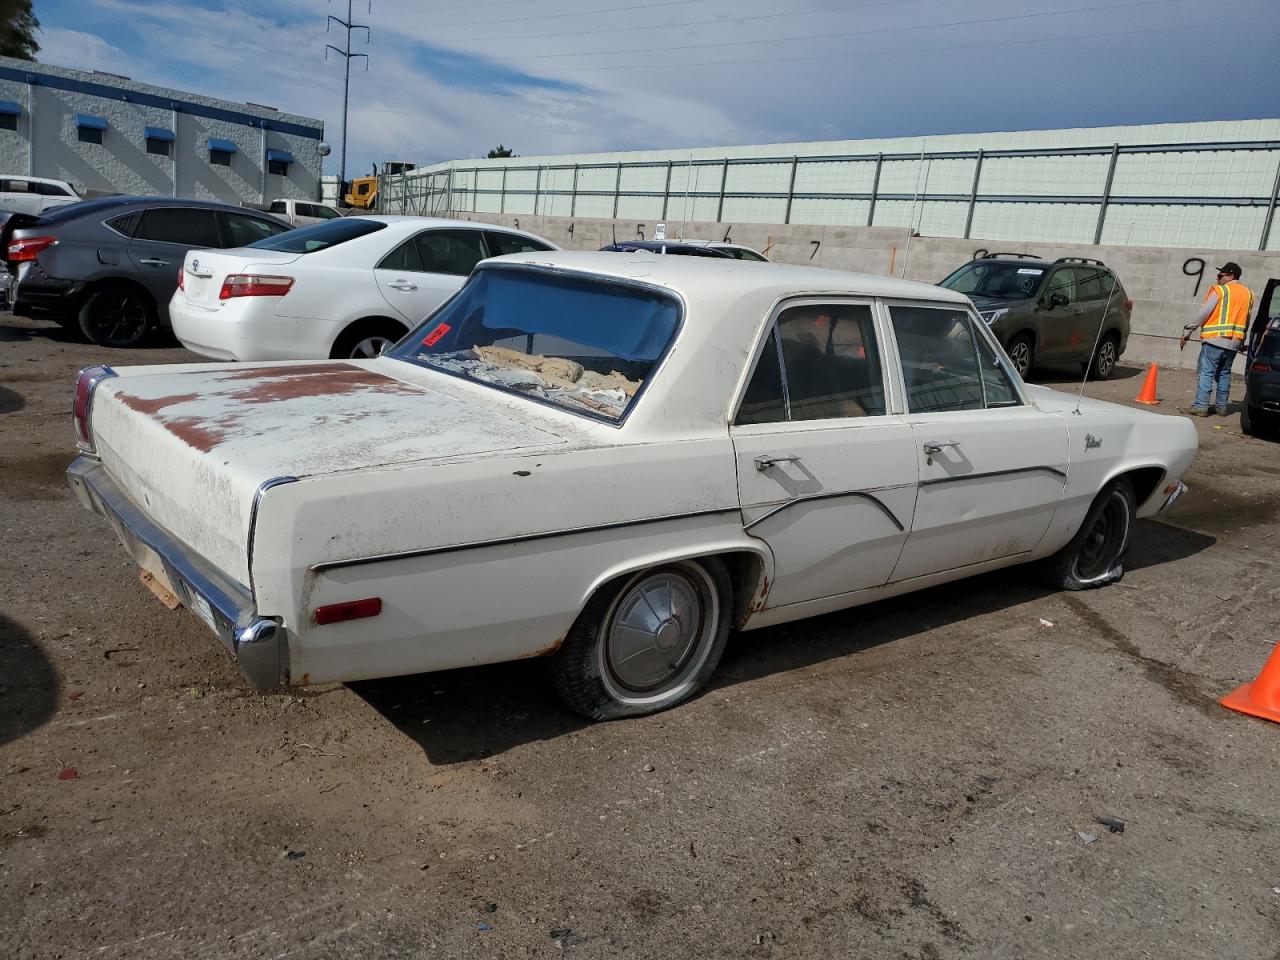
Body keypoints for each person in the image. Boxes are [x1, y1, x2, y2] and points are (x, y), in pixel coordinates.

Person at [1178, 261, 1254, 416]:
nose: (1217, 277)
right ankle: (1221, 407)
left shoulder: (1221, 291)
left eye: (1221, 275)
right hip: (1234, 342)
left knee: (1206, 372)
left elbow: (1203, 313)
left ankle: (1200, 406)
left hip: (1215, 340)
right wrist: (1241, 342)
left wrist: (1187, 331)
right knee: (1224, 373)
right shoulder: (1248, 294)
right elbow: (1246, 319)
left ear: (1231, 276)